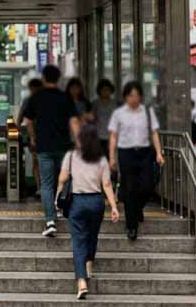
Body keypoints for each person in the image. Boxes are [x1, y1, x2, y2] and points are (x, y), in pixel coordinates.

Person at [57, 123, 120, 300]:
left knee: (78, 242)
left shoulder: (71, 156)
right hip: (96, 202)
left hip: (77, 202)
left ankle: (82, 282)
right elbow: (107, 184)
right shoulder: (101, 159)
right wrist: (114, 207)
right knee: (92, 236)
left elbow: (62, 178)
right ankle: (89, 266)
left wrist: (57, 198)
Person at [22, 65, 79, 237]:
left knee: (46, 184)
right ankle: (61, 205)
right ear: (59, 78)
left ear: (44, 78)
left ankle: (50, 221)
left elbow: (28, 120)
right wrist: (79, 142)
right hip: (63, 146)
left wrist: (32, 138)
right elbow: (74, 121)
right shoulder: (65, 97)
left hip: (44, 147)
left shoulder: (36, 97)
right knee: (65, 179)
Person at [108, 81, 164, 241]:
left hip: (145, 153)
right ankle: (131, 226)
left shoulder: (147, 112)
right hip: (126, 153)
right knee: (130, 188)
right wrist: (112, 157)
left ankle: (137, 208)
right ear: (126, 97)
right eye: (131, 95)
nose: (134, 98)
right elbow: (113, 136)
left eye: (137, 95)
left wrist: (159, 153)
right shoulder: (119, 113)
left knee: (148, 185)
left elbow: (154, 132)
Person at [18, 78, 43, 195]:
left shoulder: (41, 100)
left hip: (41, 135)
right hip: (35, 135)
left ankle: (42, 186)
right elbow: (22, 116)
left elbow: (21, 117)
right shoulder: (28, 100)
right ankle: (39, 186)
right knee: (37, 161)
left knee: (39, 161)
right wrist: (16, 128)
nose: (34, 91)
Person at [90, 79, 118, 155]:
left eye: (107, 89)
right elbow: (92, 118)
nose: (105, 92)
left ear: (111, 90)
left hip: (111, 135)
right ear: (99, 91)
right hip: (98, 135)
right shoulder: (95, 103)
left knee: (111, 157)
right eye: (103, 89)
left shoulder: (114, 104)